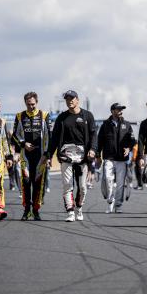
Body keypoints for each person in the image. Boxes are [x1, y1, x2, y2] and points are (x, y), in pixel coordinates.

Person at [49, 90, 97, 222]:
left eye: (72, 98)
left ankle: (79, 207)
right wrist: (48, 155)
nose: (69, 101)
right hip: (66, 155)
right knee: (67, 185)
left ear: (77, 100)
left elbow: (94, 134)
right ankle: (70, 212)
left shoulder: (87, 116)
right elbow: (54, 138)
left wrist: (93, 149)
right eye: (67, 99)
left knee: (82, 187)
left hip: (82, 157)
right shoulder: (62, 118)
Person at [12, 92, 51, 221]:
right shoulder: (19, 116)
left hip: (40, 156)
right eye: (28, 105)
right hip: (25, 156)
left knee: (38, 183)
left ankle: (35, 210)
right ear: (25, 103)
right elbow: (14, 136)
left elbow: (49, 136)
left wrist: (48, 155)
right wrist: (23, 144)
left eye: (33, 104)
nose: (31, 107)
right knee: (26, 181)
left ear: (37, 102)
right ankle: (26, 209)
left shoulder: (44, 115)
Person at [97, 103, 136, 214]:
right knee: (108, 179)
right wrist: (97, 156)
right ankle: (110, 201)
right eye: (118, 109)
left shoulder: (127, 125)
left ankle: (118, 205)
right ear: (112, 111)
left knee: (120, 183)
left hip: (121, 159)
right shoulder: (105, 125)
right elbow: (99, 142)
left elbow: (133, 140)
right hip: (108, 158)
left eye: (121, 109)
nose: (120, 111)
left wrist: (128, 148)